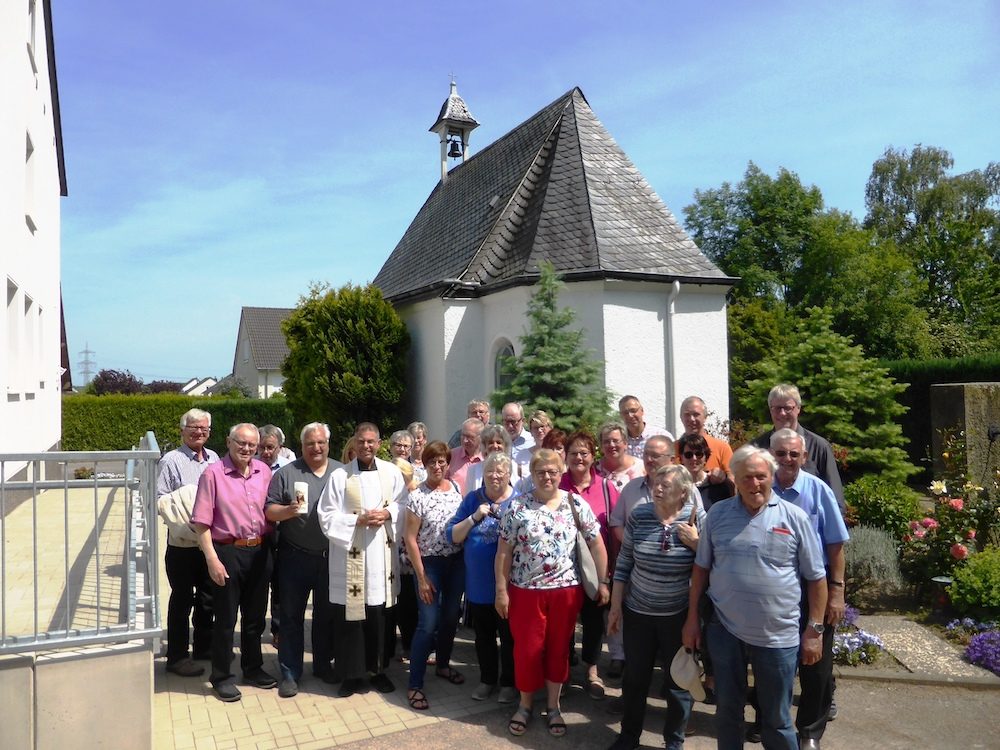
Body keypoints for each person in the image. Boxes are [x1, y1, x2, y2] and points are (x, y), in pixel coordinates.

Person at [682, 445, 827, 750]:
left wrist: (814, 630)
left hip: (778, 635)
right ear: (735, 478)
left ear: (772, 477)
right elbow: (701, 570)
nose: (754, 484)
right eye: (746, 477)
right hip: (725, 631)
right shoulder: (718, 515)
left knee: (776, 719)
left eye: (761, 476)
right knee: (728, 713)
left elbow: (816, 579)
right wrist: (692, 619)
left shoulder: (796, 518)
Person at [496, 449, 610, 739]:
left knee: (559, 650)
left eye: (553, 472)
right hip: (525, 592)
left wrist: (603, 581)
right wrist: (501, 590)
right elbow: (504, 552)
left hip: (565, 592)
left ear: (561, 474)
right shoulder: (517, 507)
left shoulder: (576, 504)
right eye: (540, 472)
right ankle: (524, 706)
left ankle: (554, 706)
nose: (547, 477)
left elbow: (596, 544)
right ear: (532, 475)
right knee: (527, 651)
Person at [607, 465, 705, 750]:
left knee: (678, 682)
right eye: (656, 482)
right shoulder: (640, 515)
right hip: (638, 613)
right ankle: (629, 735)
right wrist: (616, 607)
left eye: (666, 484)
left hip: (678, 616)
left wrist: (697, 543)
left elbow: (712, 563)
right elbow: (624, 563)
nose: (657, 487)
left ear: (683, 492)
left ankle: (674, 741)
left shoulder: (696, 518)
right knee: (636, 678)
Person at [771, 429, 849, 750]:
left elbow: (835, 547)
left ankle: (810, 731)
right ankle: (773, 723)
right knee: (775, 659)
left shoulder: (818, 491)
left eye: (794, 454)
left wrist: (837, 592)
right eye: (781, 454)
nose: (787, 460)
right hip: (775, 587)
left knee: (815, 662)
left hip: (814, 586)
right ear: (771, 456)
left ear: (804, 457)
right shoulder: (762, 490)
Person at [317, 422, 405, 698]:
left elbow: (404, 504)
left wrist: (388, 515)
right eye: (361, 441)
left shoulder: (392, 473)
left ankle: (377, 671)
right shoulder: (339, 476)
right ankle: (351, 675)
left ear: (379, 443)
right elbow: (326, 515)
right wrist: (359, 520)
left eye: (371, 441)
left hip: (379, 555)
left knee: (378, 616)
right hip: (349, 558)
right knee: (350, 619)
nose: (366, 446)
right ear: (354, 443)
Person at [190, 423, 276, 702]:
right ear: (228, 442)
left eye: (252, 444)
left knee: (254, 618)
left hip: (260, 552)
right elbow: (201, 524)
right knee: (226, 619)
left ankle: (252, 668)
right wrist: (212, 560)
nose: (247, 449)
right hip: (227, 552)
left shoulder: (264, 471)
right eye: (241, 443)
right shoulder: (213, 474)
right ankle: (221, 676)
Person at [264, 422, 341, 698]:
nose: (316, 448)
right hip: (294, 556)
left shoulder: (340, 472)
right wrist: (288, 510)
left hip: (330, 558)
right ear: (302, 445)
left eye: (321, 442)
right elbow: (270, 511)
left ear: (328, 444)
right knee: (290, 617)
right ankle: (289, 672)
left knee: (326, 616)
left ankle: (322, 665)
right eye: (310, 443)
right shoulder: (286, 473)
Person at [447, 452, 518, 704]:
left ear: (510, 475)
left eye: (501, 471)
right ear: (483, 474)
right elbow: (453, 535)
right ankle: (488, 680)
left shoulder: (519, 501)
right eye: (490, 471)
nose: (495, 475)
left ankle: (509, 683)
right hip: (478, 585)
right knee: (484, 637)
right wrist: (475, 516)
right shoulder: (472, 499)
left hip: (510, 586)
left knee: (509, 637)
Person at [403, 440, 467, 711]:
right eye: (432, 461)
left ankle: (442, 664)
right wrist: (421, 577)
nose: (438, 466)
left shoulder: (455, 489)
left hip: (456, 563)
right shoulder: (418, 496)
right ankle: (415, 683)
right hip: (430, 564)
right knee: (427, 623)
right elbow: (409, 538)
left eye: (442, 461)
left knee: (451, 617)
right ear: (425, 464)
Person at [156, 408, 219, 677]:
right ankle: (177, 657)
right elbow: (161, 499)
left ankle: (204, 648)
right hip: (182, 545)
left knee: (208, 598)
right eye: (193, 427)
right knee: (182, 600)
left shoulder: (214, 458)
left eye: (204, 428)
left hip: (209, 545)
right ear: (182, 430)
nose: (199, 432)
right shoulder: (171, 460)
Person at [560, 430, 621, 695]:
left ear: (592, 454)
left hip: (597, 565)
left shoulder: (606, 488)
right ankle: (561, 670)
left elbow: (616, 530)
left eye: (584, 453)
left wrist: (610, 575)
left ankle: (591, 670)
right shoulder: (558, 485)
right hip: (562, 569)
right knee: (563, 621)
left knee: (594, 619)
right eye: (573, 453)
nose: (579, 458)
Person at [751, 384, 846, 513]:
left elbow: (836, 500)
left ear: (798, 409)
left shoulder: (819, 447)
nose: (782, 413)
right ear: (770, 410)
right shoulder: (756, 448)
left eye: (788, 408)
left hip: (809, 526)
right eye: (777, 408)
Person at [384, 458, 420, 666]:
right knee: (393, 608)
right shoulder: (389, 494)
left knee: (408, 607)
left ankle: (410, 646)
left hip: (408, 561)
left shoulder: (415, 495)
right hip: (390, 557)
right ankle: (390, 648)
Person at [609, 435, 675, 543]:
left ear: (671, 460)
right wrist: (630, 545)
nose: (649, 460)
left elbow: (700, 525)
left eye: (655, 456)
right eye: (646, 454)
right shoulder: (631, 488)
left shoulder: (686, 489)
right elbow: (617, 522)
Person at [677, 396, 733, 484]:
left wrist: (723, 478)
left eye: (696, 414)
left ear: (705, 417)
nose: (691, 419)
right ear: (681, 417)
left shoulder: (722, 448)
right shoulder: (672, 449)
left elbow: (734, 482)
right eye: (687, 414)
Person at [677, 432, 734, 510]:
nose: (694, 458)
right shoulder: (675, 487)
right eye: (688, 455)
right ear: (681, 458)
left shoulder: (720, 486)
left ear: (706, 457)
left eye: (698, 454)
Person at [598, 421, 645, 492]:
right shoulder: (594, 470)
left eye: (615, 441)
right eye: (606, 442)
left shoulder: (641, 468)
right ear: (601, 446)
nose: (612, 445)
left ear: (625, 443)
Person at [447, 417, 484, 494]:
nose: (465, 440)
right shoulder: (451, 455)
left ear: (481, 437)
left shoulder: (487, 458)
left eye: (470, 437)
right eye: (463, 436)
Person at [501, 402, 536, 467]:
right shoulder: (497, 443)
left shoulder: (533, 441)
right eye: (506, 422)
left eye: (513, 422)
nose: (510, 426)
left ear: (523, 421)